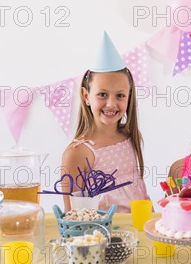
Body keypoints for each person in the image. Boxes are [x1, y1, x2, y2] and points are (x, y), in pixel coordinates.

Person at [61, 32, 148, 212]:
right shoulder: (77, 153)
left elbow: (140, 194)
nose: (111, 104)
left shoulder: (130, 136)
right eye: (102, 94)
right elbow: (73, 218)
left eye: (120, 95)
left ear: (129, 97)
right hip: (103, 236)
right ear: (86, 96)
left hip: (139, 230)